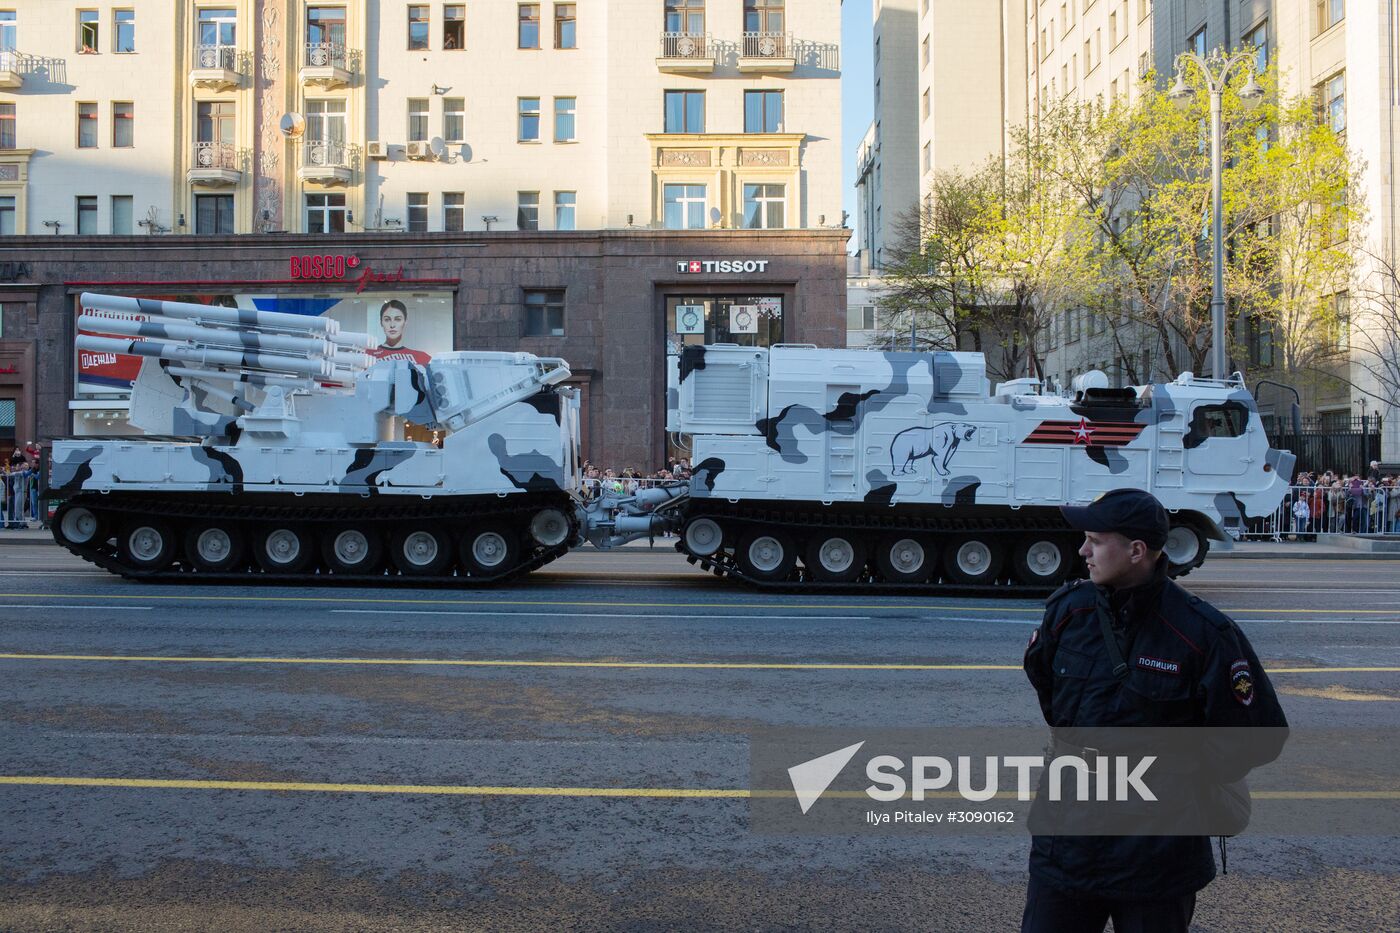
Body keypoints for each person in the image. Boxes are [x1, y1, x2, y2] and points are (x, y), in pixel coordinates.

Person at [1022, 489, 1288, 933]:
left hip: (1157, 854)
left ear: (1137, 551)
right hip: (1067, 842)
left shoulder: (1202, 632)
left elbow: (1255, 736)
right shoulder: (1069, 613)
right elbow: (1051, 694)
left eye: (1095, 539)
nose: (1083, 550)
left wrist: (1174, 775)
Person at [367, 300, 432, 365]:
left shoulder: (421, 357)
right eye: (387, 319)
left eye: (398, 319)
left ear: (405, 321)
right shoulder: (368, 355)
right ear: (381, 322)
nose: (392, 325)